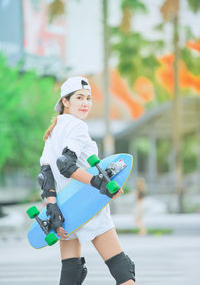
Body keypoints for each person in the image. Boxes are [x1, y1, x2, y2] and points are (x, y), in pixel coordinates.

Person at [38, 76, 136, 285]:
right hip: (89, 206)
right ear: (65, 101)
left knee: (70, 275)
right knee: (122, 269)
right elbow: (66, 165)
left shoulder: (53, 132)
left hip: (65, 210)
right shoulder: (77, 127)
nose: (85, 103)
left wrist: (53, 211)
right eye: (79, 97)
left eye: (89, 98)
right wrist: (100, 183)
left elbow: (45, 176)